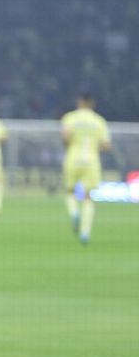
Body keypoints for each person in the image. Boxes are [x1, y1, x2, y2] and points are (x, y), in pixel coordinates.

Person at [62, 93, 110, 245]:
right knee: (88, 196)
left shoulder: (70, 117)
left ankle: (74, 212)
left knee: (69, 191)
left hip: (73, 157)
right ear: (92, 104)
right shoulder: (99, 121)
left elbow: (66, 137)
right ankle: (85, 232)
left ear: (79, 102)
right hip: (91, 159)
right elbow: (107, 145)